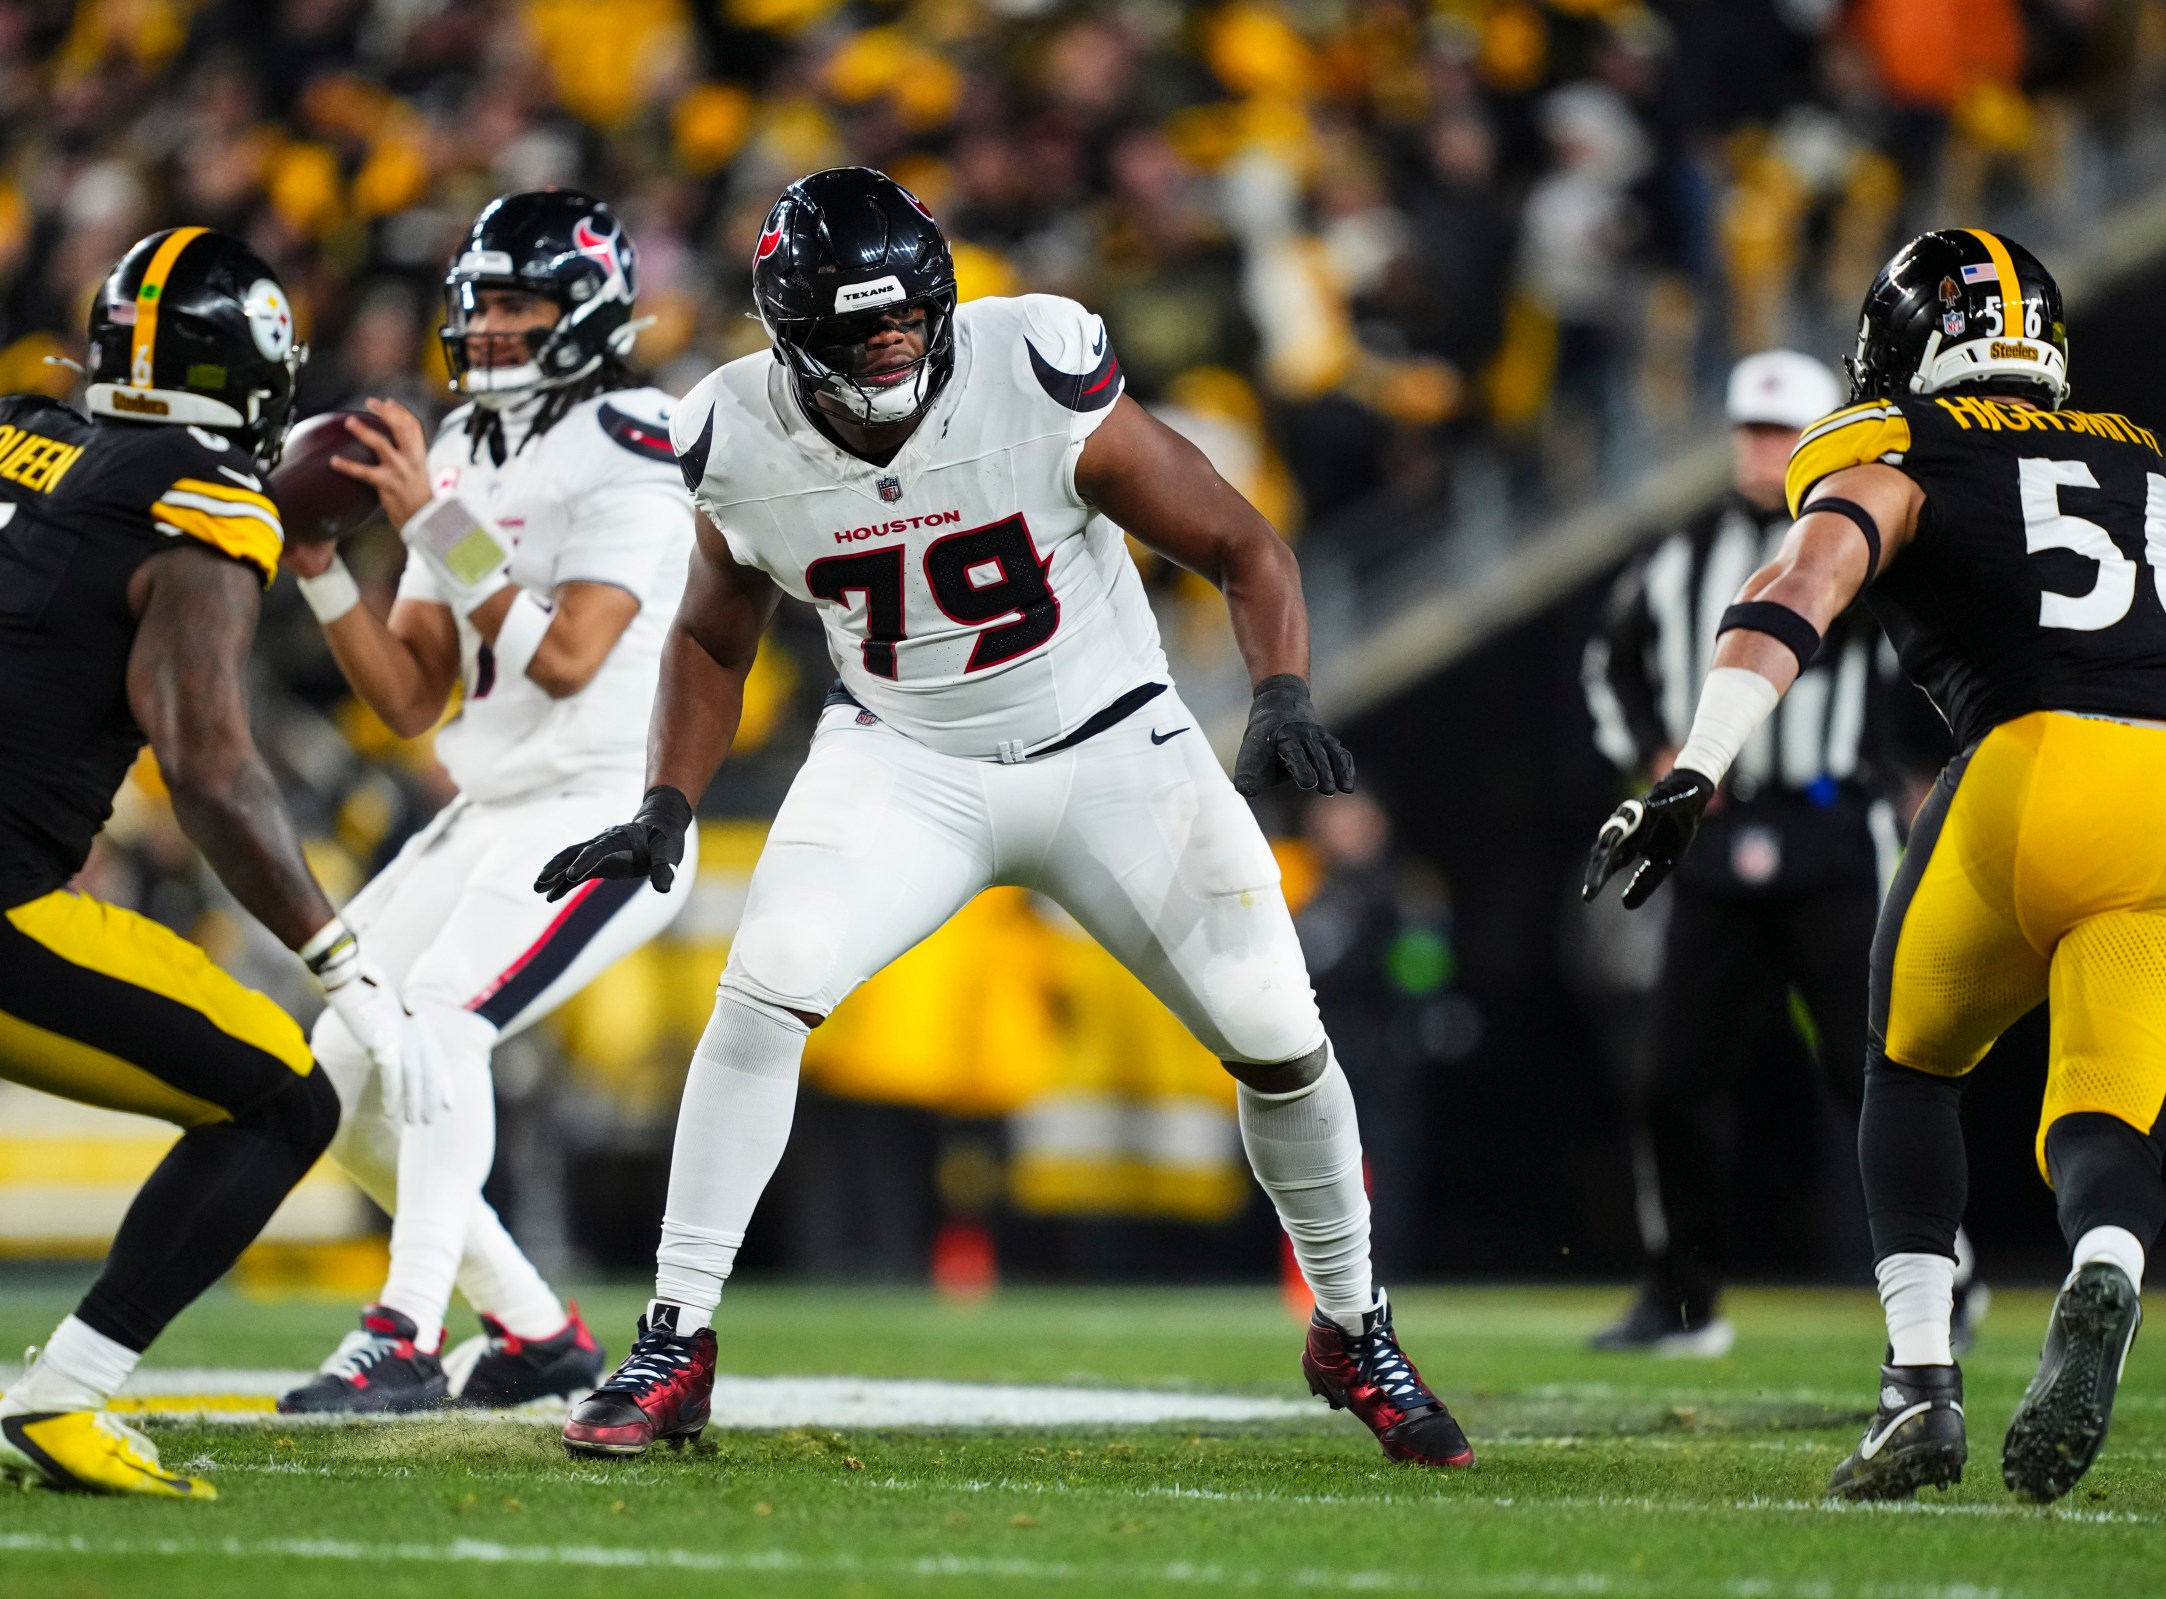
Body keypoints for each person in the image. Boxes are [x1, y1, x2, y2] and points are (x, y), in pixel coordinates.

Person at [538, 166, 1472, 1469]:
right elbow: (709, 631)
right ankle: (675, 1337)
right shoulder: (734, 431)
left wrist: (1279, 691)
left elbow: (1244, 542)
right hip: (904, 755)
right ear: (792, 337)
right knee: (764, 988)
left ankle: (1354, 1321)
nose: (894, 346)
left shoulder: (1032, 364)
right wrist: (664, 803)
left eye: (908, 319)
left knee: (1276, 1025)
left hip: (1112, 744)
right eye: (861, 331)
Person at [1586, 228, 2166, 1503]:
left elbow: (1798, 587)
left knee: (1909, 1067)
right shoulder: (2157, 464)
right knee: (2104, 1123)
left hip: (2034, 768)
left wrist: (1697, 763)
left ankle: (1919, 1390)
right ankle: (2106, 1266)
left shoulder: (1903, 446)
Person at [0, 229, 436, 1495]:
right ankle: (69, 1397)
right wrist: (339, 964)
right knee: (283, 1099)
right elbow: (208, 764)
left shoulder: (28, 430)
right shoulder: (205, 503)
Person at [275, 191, 696, 1414]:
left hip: (608, 801)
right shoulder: (460, 451)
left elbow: (568, 658)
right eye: (485, 301)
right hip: (494, 797)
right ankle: (528, 1329)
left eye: (519, 303)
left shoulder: (633, 435)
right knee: (341, 1056)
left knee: (445, 1021)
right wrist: (318, 575)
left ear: (588, 313)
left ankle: (403, 1330)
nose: (492, 325)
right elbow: (411, 695)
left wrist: (433, 522)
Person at [1581, 350, 1985, 1356]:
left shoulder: (1871, 536)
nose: (1764, 452)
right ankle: (1684, 1298)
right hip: (1713, 840)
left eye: (1783, 432)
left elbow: (1950, 656)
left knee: (1881, 1068)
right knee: (1674, 1076)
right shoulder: (1674, 557)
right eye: (1752, 432)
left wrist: (1939, 771)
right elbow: (1608, 664)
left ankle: (1949, 1273)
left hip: (1833, 833)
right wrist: (1654, 756)